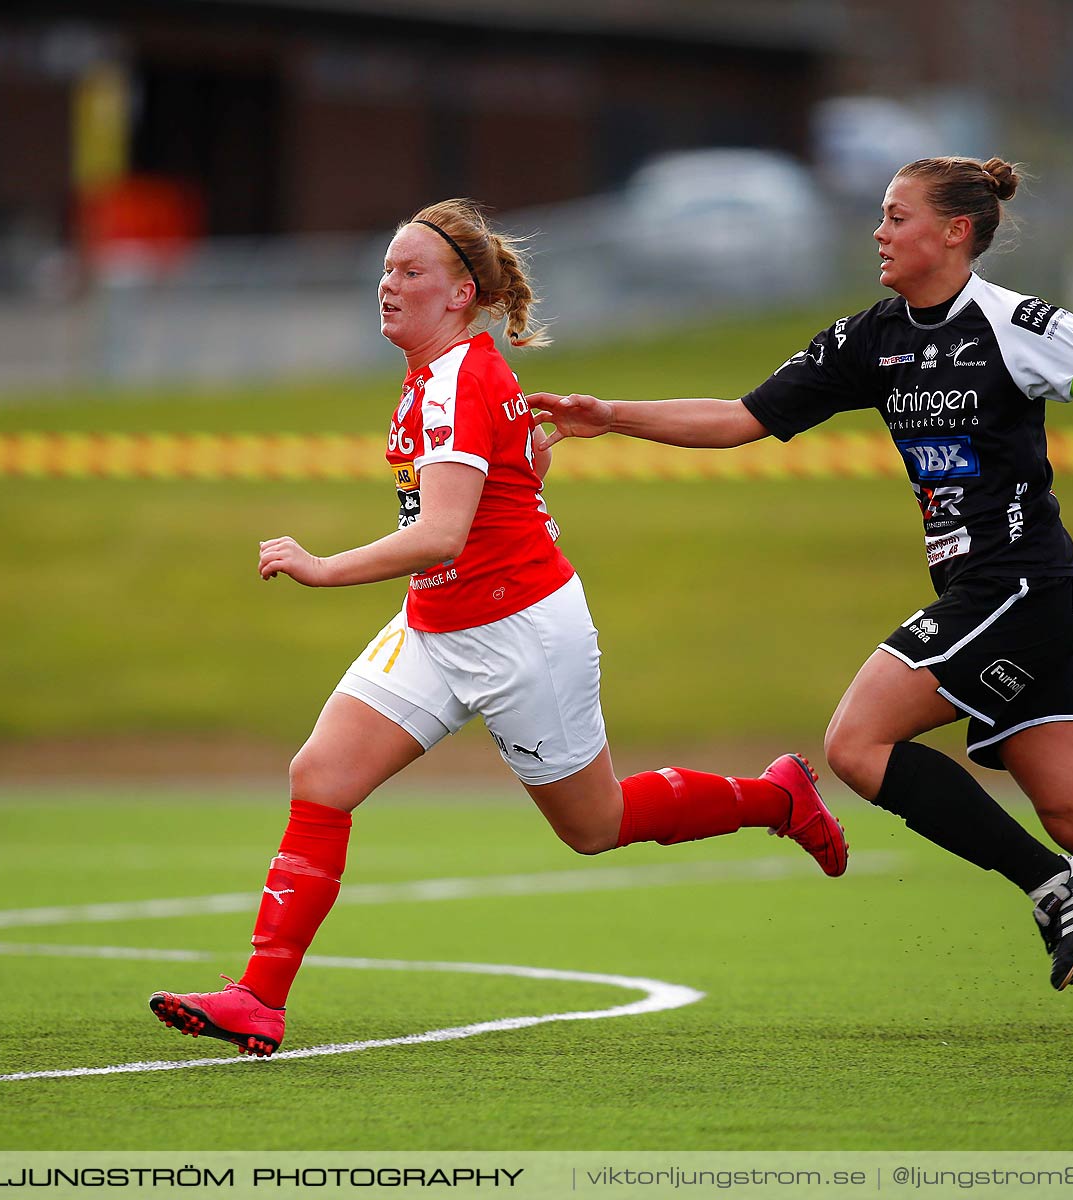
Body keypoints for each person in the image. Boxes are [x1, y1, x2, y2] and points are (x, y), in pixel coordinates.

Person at [531, 157, 1073, 1066]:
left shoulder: (1017, 325)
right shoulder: (868, 340)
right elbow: (739, 417)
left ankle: (1044, 885)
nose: (879, 231)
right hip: (984, 600)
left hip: (1022, 589)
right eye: (879, 216)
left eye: (896, 215)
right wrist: (613, 414)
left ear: (956, 231)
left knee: (854, 744)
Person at [149, 199, 848, 1057]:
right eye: (386, 269)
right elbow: (503, 479)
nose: (388, 286)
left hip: (521, 632)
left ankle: (777, 797)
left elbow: (440, 532)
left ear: (460, 294)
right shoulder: (451, 371)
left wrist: (323, 566)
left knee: (594, 826)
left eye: (411, 272)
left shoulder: (454, 376)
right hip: (439, 623)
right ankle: (257, 998)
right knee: (322, 775)